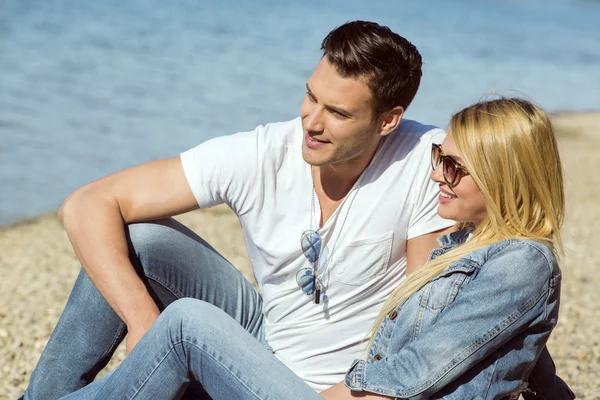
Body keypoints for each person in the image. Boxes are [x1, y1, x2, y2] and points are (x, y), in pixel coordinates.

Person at [21, 23, 571, 400]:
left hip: (338, 385)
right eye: (310, 96)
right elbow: (87, 203)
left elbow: (434, 324)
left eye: (336, 112)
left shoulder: (437, 167)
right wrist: (142, 319)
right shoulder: (266, 150)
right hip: (268, 339)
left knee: (189, 324)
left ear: (388, 120)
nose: (311, 121)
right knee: (139, 240)